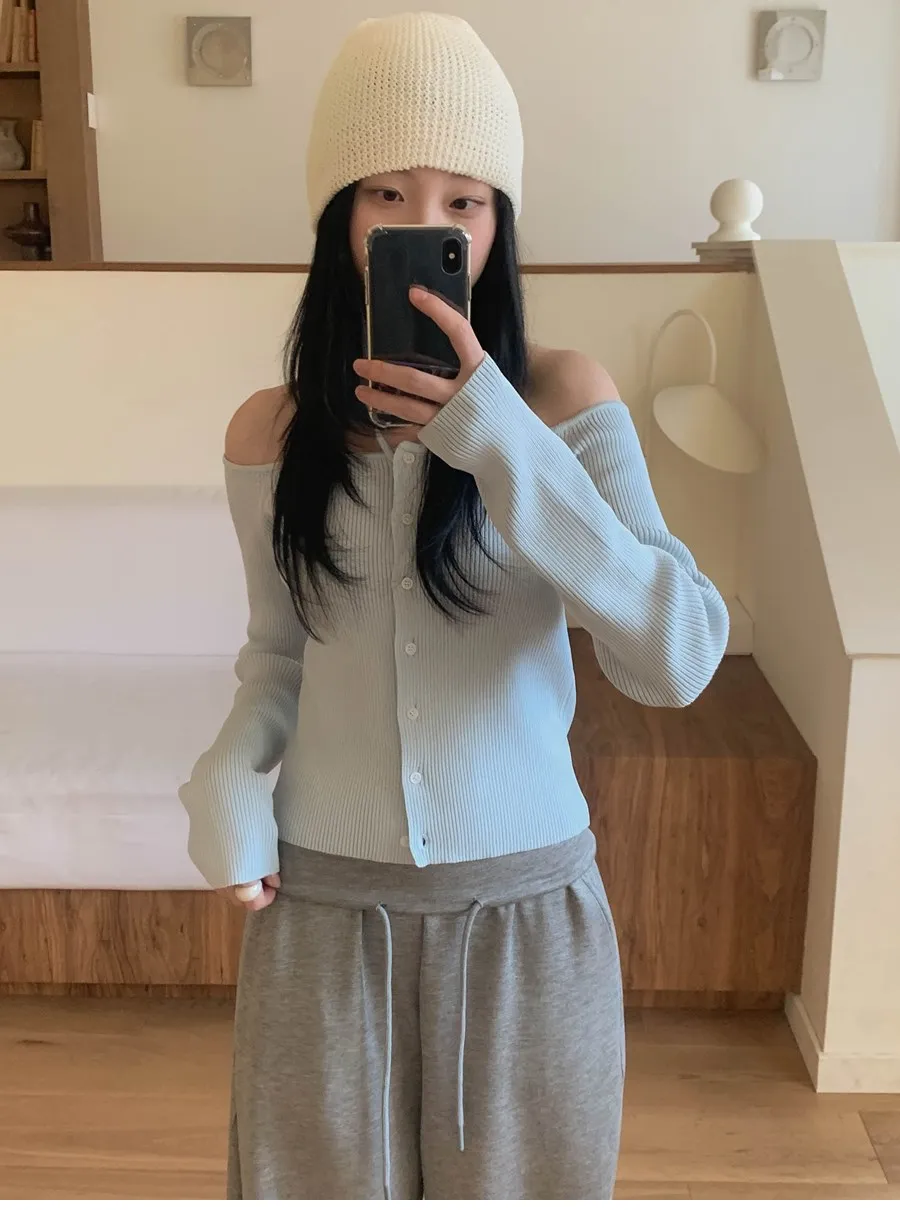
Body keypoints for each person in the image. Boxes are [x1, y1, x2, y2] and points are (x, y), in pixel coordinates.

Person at [179, 11, 729, 1201]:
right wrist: (230, 771)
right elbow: (278, 656)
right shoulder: (270, 432)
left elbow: (676, 654)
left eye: (464, 202)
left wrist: (502, 443)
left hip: (526, 922)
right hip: (323, 923)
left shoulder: (566, 398)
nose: (427, 224)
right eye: (387, 193)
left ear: (498, 223)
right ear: (339, 218)